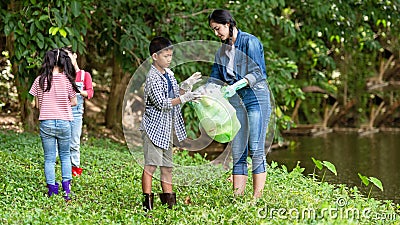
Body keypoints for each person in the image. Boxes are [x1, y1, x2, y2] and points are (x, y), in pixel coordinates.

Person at [208, 9, 272, 199]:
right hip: (237, 102)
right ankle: (237, 197)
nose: (216, 33)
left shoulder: (250, 42)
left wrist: (235, 85)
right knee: (238, 150)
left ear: (228, 24)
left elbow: (258, 72)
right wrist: (201, 93)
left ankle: (256, 198)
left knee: (256, 148)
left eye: (218, 28)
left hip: (256, 98)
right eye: (213, 30)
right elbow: (214, 79)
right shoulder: (221, 52)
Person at [139, 37, 202, 211]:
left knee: (167, 167)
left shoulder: (169, 74)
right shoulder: (153, 77)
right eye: (165, 56)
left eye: (170, 55)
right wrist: (183, 98)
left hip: (166, 129)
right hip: (153, 128)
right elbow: (162, 103)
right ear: (155, 56)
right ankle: (147, 205)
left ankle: (170, 205)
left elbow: (175, 95)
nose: (169, 59)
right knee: (151, 166)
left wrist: (187, 85)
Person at [29, 48, 80, 201]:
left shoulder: (40, 80)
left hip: (46, 123)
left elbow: (37, 105)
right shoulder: (68, 80)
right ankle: (67, 191)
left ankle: (52, 190)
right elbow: (74, 101)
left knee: (49, 158)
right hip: (65, 122)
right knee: (65, 156)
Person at [62, 46, 94, 177]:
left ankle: (75, 169)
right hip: (62, 112)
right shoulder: (63, 75)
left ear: (75, 56)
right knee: (62, 142)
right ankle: (63, 168)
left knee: (74, 142)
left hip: (76, 113)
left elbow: (90, 92)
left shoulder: (84, 75)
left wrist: (80, 91)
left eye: (69, 56)